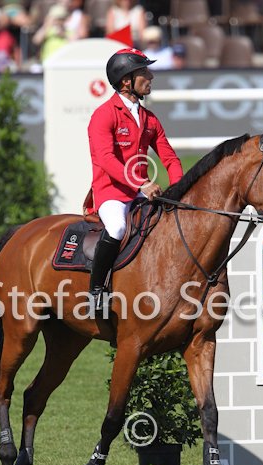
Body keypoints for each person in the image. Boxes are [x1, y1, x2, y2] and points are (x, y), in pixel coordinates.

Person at [86, 48, 183, 313]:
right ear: (126, 81)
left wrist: (180, 190)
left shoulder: (149, 118)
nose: (150, 77)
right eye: (144, 72)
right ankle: (96, 292)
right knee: (117, 228)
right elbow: (106, 160)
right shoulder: (104, 114)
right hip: (110, 193)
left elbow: (170, 158)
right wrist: (142, 184)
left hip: (140, 193)